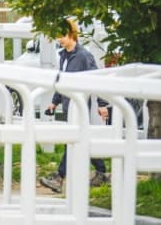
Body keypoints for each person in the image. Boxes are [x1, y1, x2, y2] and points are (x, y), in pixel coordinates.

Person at [39, 19, 109, 193]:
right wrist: (54, 103)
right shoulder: (63, 55)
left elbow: (96, 80)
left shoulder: (84, 56)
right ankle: (101, 172)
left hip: (79, 106)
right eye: (57, 37)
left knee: (71, 141)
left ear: (72, 34)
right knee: (81, 140)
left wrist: (101, 104)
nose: (59, 40)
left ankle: (59, 177)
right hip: (67, 105)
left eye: (62, 36)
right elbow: (62, 81)